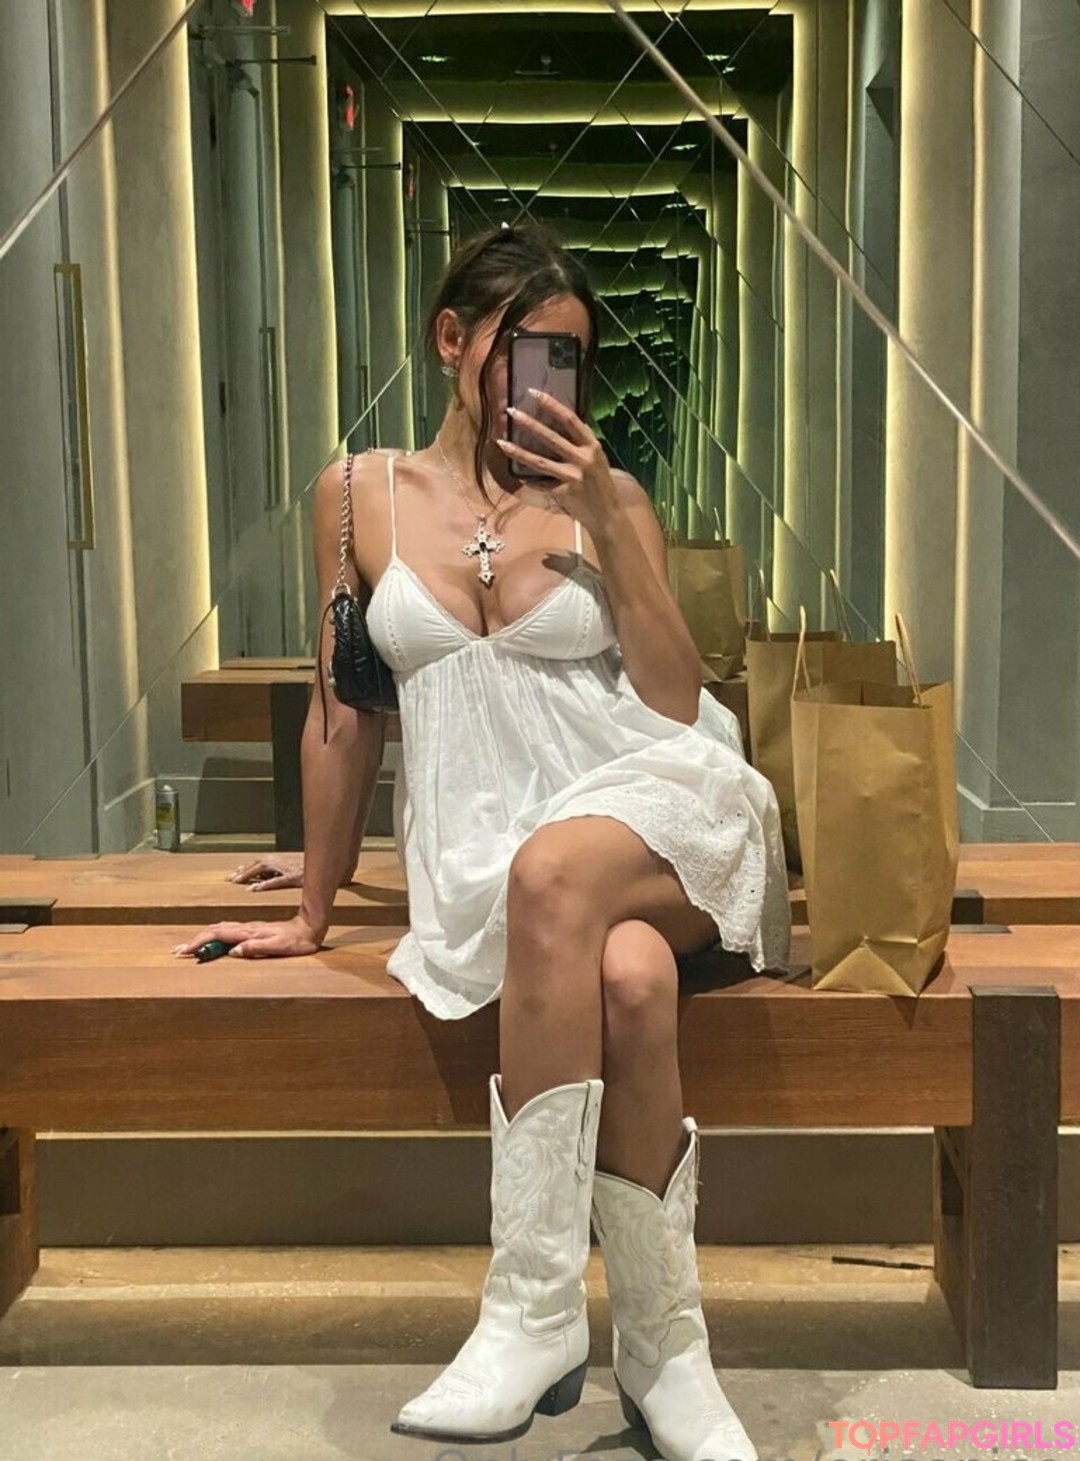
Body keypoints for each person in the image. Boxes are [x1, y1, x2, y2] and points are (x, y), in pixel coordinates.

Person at [177, 221, 790, 1461]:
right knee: (629, 977)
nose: (547, 382)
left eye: (571, 358)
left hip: (657, 803)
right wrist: (313, 906)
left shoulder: (609, 498)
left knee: (553, 875)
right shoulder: (358, 496)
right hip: (492, 855)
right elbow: (342, 710)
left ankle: (530, 1312)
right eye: (525, 350)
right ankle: (667, 1353)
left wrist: (606, 520)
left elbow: (676, 698)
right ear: (453, 340)